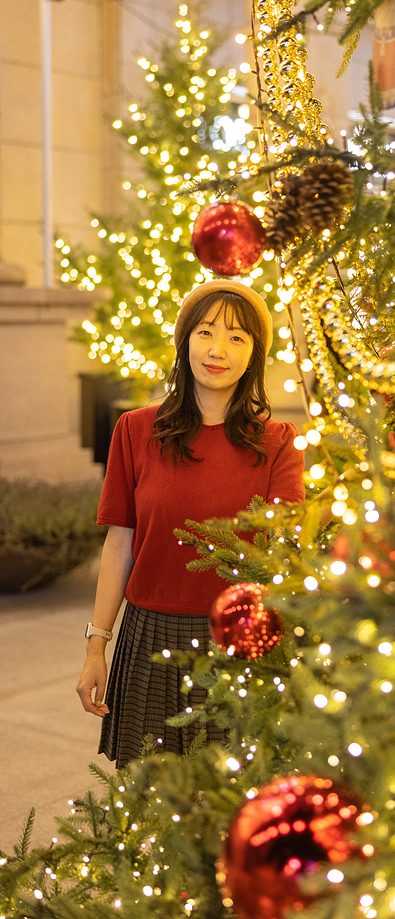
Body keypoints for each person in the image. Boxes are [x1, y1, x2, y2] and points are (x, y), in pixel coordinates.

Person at [76, 280, 306, 768]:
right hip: (148, 640)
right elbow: (120, 545)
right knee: (149, 804)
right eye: (206, 332)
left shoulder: (278, 442)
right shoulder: (136, 430)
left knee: (231, 806)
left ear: (254, 358)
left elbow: (285, 552)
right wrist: (97, 645)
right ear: (185, 342)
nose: (218, 349)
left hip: (240, 642)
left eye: (237, 338)